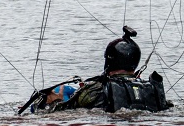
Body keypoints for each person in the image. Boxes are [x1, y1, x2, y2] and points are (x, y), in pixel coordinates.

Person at [20, 27, 172, 115]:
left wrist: (49, 100)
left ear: (109, 60)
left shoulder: (95, 89)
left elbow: (59, 111)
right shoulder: (151, 90)